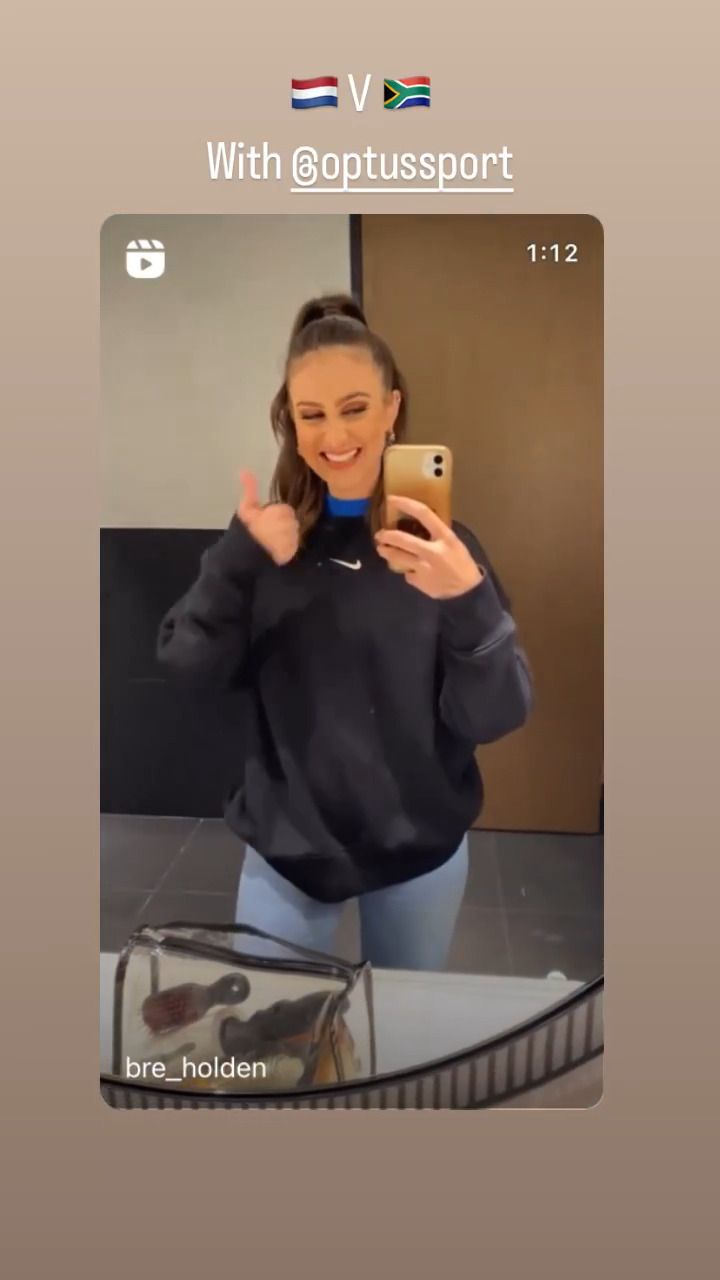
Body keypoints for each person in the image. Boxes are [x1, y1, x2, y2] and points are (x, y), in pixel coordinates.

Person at [157, 294, 533, 971]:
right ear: (291, 423)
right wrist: (235, 560)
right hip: (290, 851)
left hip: (419, 850)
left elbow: (494, 715)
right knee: (275, 1027)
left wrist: (469, 602)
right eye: (312, 415)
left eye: (355, 408)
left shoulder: (444, 553)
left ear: (392, 409)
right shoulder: (264, 548)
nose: (334, 435)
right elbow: (188, 669)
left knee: (402, 1027)